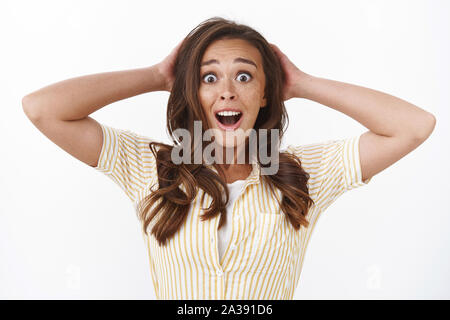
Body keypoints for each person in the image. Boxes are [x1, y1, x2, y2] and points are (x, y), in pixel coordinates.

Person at [22, 17, 436, 300]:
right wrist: (155, 76)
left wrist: (304, 83)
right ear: (192, 94)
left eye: (244, 76)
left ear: (265, 93)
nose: (227, 91)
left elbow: (413, 126)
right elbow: (43, 108)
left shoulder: (304, 174)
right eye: (207, 77)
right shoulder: (151, 168)